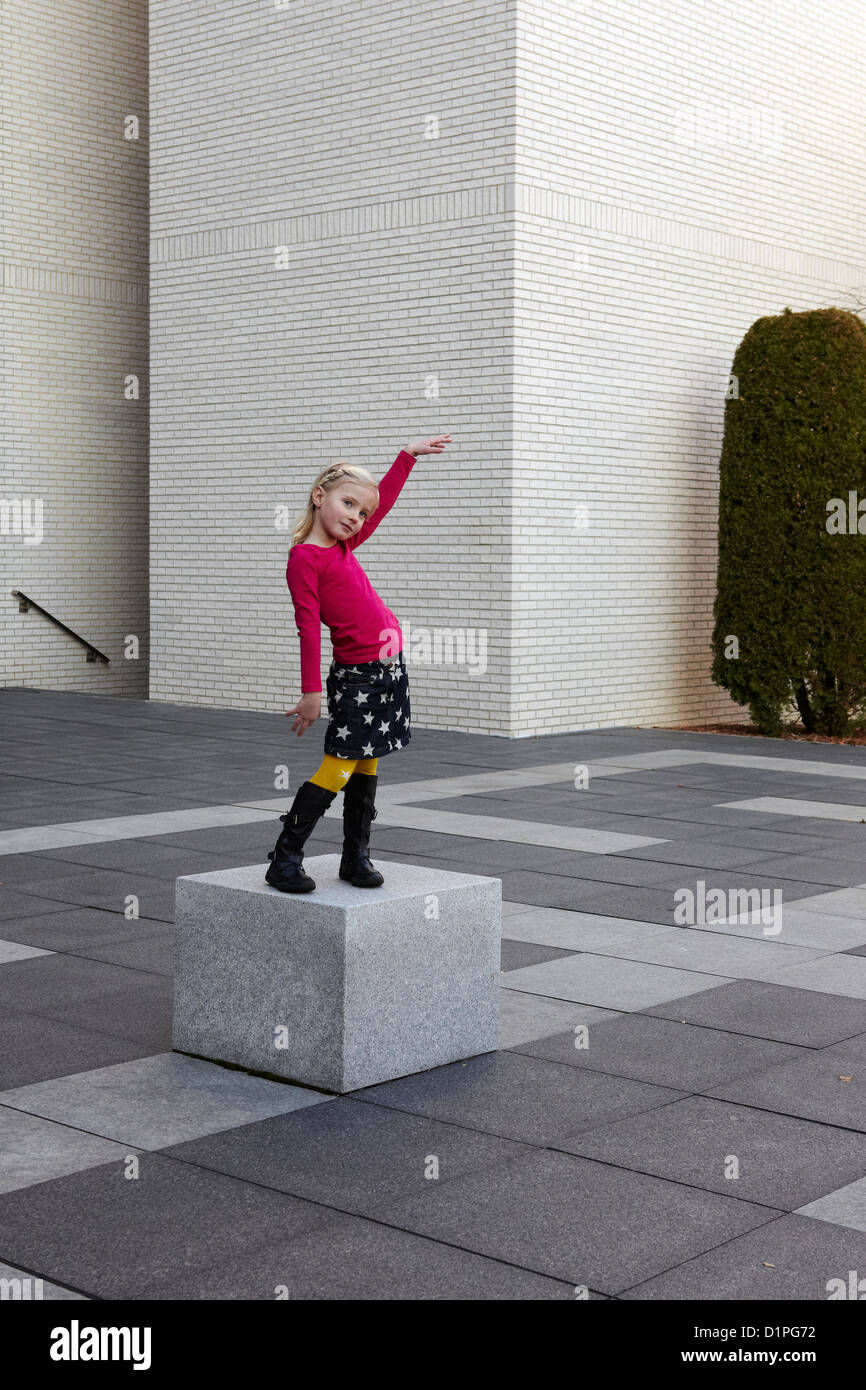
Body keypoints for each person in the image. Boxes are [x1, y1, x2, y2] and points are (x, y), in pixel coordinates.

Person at [266, 433, 452, 893]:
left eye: (362, 512)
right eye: (349, 504)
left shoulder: (344, 546)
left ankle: (355, 856)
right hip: (358, 677)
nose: (356, 517)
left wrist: (405, 458)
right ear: (319, 496)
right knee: (339, 765)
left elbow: (382, 503)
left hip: (389, 671)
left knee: (369, 761)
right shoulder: (305, 559)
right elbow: (308, 628)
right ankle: (285, 858)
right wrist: (311, 693)